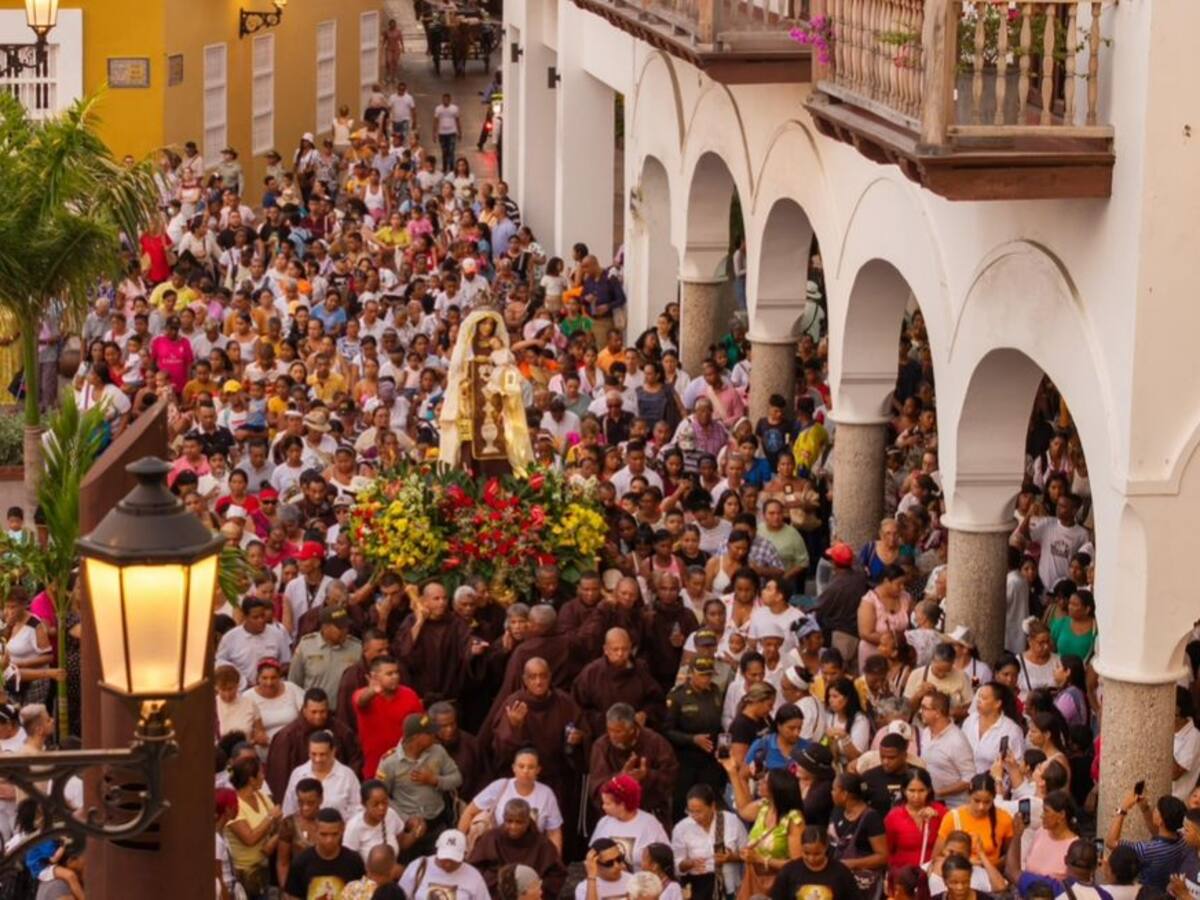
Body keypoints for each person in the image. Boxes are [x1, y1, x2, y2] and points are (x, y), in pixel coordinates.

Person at [459, 747, 565, 854]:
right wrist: (459, 845)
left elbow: (554, 831)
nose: (525, 771)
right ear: (514, 768)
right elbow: (470, 812)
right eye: (521, 766)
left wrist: (556, 861)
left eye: (531, 767)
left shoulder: (546, 794)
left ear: (538, 770)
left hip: (532, 851)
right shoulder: (500, 786)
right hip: (499, 849)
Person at [467, 798, 568, 900]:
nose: (513, 826)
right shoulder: (491, 838)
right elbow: (474, 869)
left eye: (519, 822)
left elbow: (557, 874)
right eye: (509, 821)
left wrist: (535, 891)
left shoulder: (542, 843)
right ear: (503, 818)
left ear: (528, 821)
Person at [671, 783, 748, 900]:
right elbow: (676, 863)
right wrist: (688, 863)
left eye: (699, 811)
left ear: (712, 806)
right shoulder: (681, 828)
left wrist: (731, 857)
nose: (695, 816)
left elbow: (747, 854)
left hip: (729, 888)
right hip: (698, 889)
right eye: (690, 811)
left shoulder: (731, 821)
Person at [1104, 790, 1189, 891]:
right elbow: (1158, 832)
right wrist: (1145, 808)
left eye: (1157, 810)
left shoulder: (1146, 850)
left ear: (1161, 820)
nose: (1154, 811)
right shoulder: (1183, 840)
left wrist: (1123, 809)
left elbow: (1111, 842)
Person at [282, 807, 366, 899]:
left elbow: (362, 895)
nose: (329, 840)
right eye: (324, 834)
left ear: (342, 830)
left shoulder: (353, 861)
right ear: (315, 830)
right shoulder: (301, 862)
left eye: (334, 834)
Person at [589, 775, 670, 870]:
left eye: (607, 803)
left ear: (622, 805)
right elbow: (592, 855)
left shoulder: (650, 824)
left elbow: (666, 859)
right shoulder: (604, 822)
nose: (603, 807)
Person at [769, 825, 863, 899]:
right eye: (806, 853)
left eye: (817, 854)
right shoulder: (788, 871)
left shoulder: (841, 872)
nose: (811, 858)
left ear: (826, 847)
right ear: (801, 847)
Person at [885, 768, 945, 880]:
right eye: (911, 791)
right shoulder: (893, 817)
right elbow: (888, 850)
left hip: (932, 876)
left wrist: (936, 818)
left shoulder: (941, 812)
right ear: (903, 791)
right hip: (903, 877)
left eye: (921, 791)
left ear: (929, 790)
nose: (916, 796)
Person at [398, 830, 491, 900]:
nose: (448, 864)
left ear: (464, 856)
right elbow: (401, 896)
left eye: (453, 860)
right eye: (444, 858)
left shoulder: (473, 876)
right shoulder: (418, 866)